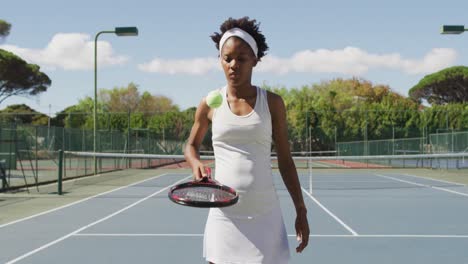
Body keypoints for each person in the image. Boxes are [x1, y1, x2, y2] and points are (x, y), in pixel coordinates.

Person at [184, 16, 309, 264]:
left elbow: (285, 159)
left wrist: (301, 210)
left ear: (255, 60)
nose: (233, 65)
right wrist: (195, 163)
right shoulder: (210, 102)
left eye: (241, 59)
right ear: (220, 60)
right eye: (227, 58)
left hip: (265, 214)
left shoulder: (272, 103)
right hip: (224, 215)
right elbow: (190, 145)